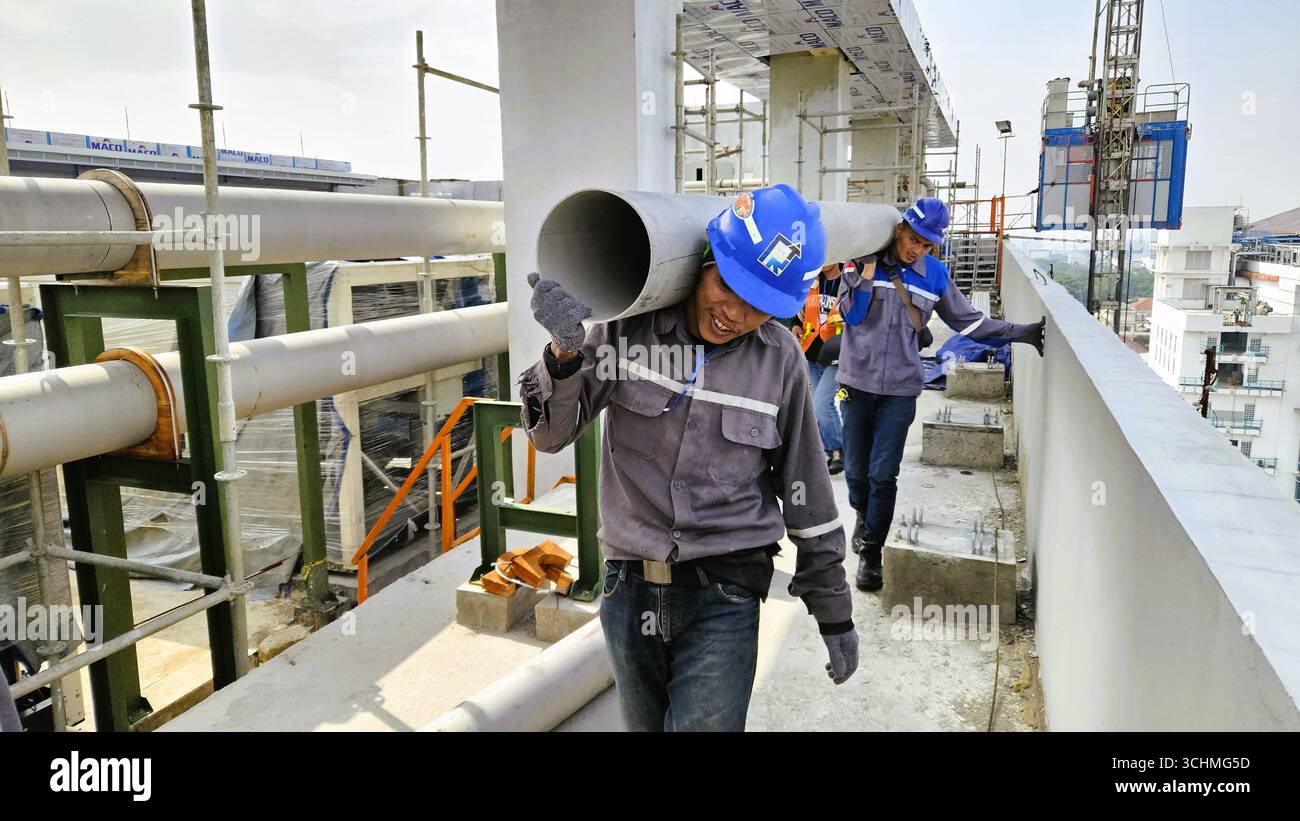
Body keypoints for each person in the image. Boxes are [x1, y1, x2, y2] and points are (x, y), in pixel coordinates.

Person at [519, 184, 857, 732]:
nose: (734, 313)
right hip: (629, 590)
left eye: (759, 305)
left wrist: (833, 608)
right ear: (704, 263)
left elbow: (807, 491)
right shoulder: (626, 332)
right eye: (726, 285)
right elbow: (550, 436)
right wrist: (562, 355)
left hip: (724, 592)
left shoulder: (781, 363)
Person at [832, 197, 1044, 592]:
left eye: (926, 245)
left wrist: (1022, 333)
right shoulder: (862, 262)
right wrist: (863, 274)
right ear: (900, 230)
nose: (917, 249)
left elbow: (971, 323)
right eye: (913, 239)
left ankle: (871, 552)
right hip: (855, 383)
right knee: (856, 472)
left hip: (901, 388)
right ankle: (862, 515)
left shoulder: (934, 276)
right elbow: (853, 317)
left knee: (883, 473)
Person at [791, 263, 846, 475]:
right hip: (812, 352)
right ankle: (827, 450)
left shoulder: (848, 282)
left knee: (822, 403)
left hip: (837, 355)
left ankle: (838, 449)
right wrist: (795, 326)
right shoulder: (812, 282)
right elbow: (801, 315)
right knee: (814, 407)